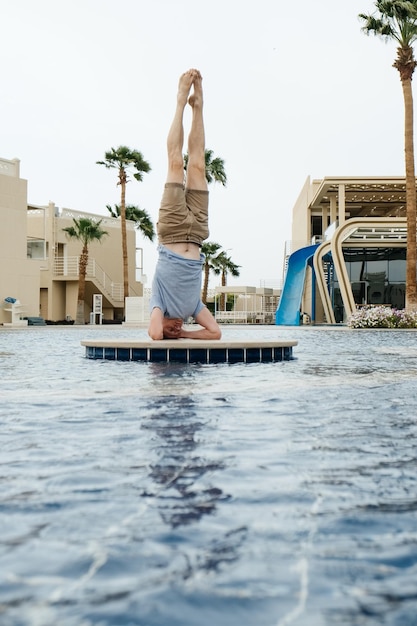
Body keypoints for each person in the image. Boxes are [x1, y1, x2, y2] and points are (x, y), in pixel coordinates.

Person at [148, 69, 222, 341]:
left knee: (176, 163)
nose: (174, 328)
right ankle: (198, 107)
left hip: (171, 229)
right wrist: (185, 334)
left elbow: (155, 333)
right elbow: (215, 333)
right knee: (199, 166)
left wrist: (166, 331)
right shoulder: (193, 308)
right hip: (198, 232)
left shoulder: (159, 303)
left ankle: (180, 102)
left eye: (172, 328)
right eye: (174, 330)